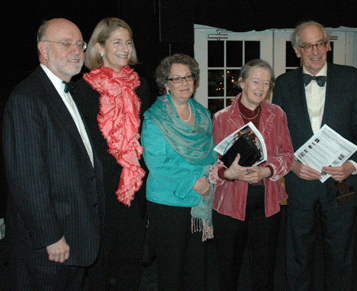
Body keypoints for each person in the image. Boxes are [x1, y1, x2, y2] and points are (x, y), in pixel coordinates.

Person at [272, 21, 357, 291]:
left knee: (340, 252)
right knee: (298, 253)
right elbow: (276, 136)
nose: (315, 51)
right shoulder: (283, 84)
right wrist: (292, 165)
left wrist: (353, 165)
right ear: (297, 50)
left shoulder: (350, 77)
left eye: (320, 43)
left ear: (328, 45)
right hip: (301, 181)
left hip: (342, 181)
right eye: (307, 46)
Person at [3, 18, 105, 290]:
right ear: (43, 49)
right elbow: (27, 179)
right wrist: (50, 236)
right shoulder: (27, 98)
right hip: (48, 247)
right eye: (65, 44)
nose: (77, 51)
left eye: (80, 44)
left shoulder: (68, 92)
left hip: (75, 237)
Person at [74, 18, 150, 290]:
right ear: (100, 47)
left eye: (128, 42)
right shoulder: (82, 89)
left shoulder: (141, 86)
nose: (125, 47)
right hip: (99, 191)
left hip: (133, 188)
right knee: (99, 265)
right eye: (116, 42)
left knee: (131, 262)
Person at [209, 59, 294, 290]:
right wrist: (228, 173)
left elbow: (288, 156)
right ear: (241, 83)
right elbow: (210, 166)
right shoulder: (221, 118)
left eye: (266, 83)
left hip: (266, 204)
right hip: (229, 205)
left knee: (264, 273)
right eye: (255, 81)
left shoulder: (277, 115)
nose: (261, 88)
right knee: (228, 272)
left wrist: (266, 170)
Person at [141, 53, 218, 291]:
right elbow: (157, 163)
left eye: (188, 77)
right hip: (168, 203)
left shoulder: (203, 113)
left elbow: (211, 152)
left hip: (198, 204)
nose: (184, 83)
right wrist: (195, 182)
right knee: (172, 271)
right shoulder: (155, 118)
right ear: (166, 84)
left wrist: (211, 173)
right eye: (177, 79)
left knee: (196, 269)